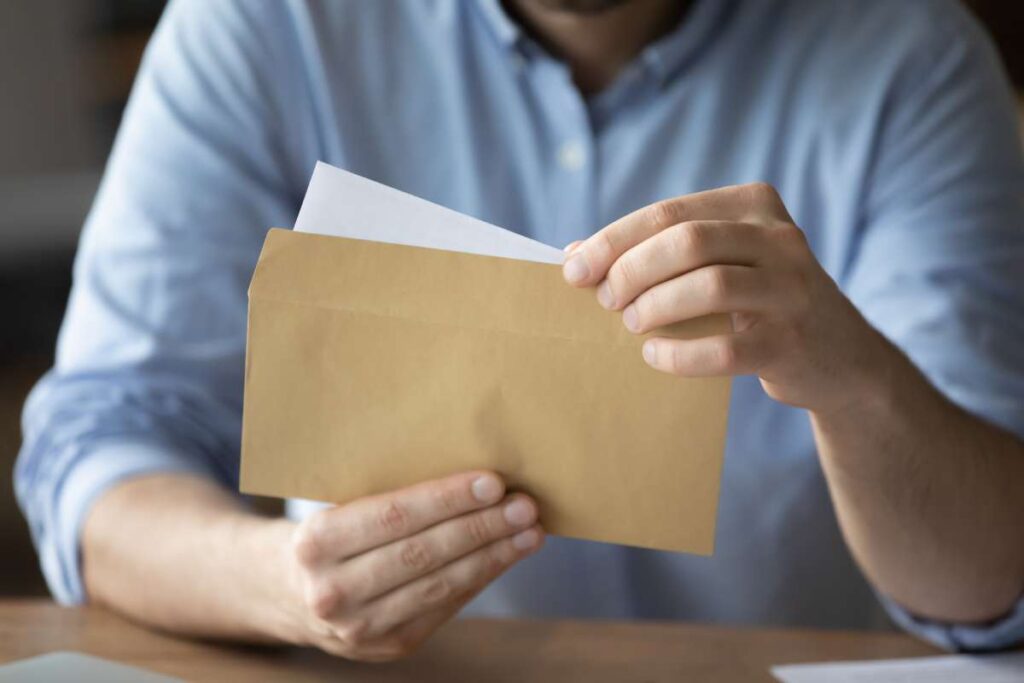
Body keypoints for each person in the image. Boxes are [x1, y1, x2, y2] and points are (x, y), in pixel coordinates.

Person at [16, 0, 1024, 662]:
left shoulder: (908, 58)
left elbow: (993, 577)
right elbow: (103, 437)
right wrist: (279, 581)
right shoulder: (265, 26)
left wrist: (853, 379)